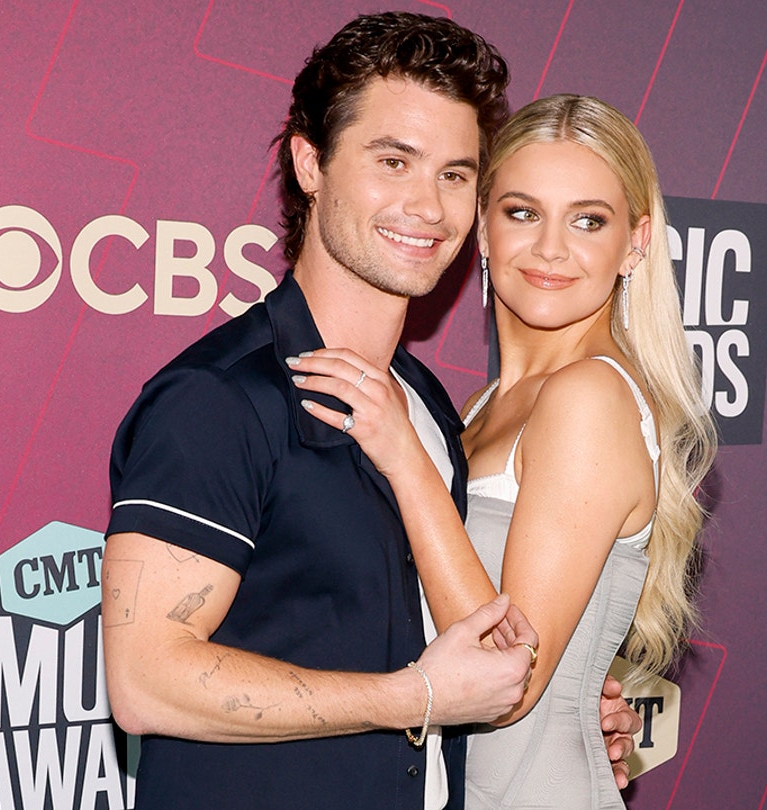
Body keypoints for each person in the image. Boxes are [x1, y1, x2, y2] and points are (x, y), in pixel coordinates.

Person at [101, 14, 639, 810]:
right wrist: (412, 699)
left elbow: (455, 640)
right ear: (310, 164)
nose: (427, 205)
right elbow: (145, 682)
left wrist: (568, 712)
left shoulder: (429, 408)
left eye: (455, 175)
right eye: (394, 162)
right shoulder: (219, 398)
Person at [290, 94, 717, 808]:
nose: (550, 248)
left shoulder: (589, 397)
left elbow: (508, 679)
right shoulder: (480, 408)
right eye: (522, 213)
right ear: (482, 226)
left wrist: (406, 457)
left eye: (588, 220)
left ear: (636, 242)